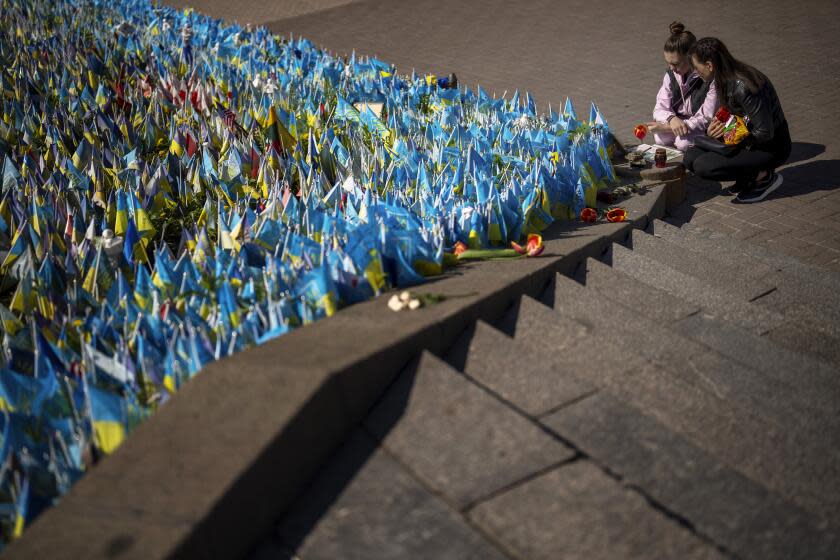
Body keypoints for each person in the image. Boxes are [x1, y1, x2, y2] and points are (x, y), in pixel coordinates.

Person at [683, 37, 790, 203]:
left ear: (709, 66)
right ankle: (746, 176)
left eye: (697, 68)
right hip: (745, 137)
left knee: (704, 166)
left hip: (770, 146)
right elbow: (730, 111)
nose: (696, 72)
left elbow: (765, 132)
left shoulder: (744, 85)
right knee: (690, 157)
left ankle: (763, 177)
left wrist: (731, 135)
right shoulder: (721, 77)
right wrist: (715, 128)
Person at [647, 22, 718, 151]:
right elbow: (659, 108)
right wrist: (671, 118)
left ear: (690, 58)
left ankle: (691, 161)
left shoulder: (708, 77)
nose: (671, 68)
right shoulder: (671, 75)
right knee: (660, 138)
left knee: (683, 143)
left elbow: (706, 117)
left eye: (676, 64)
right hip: (678, 122)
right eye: (668, 63)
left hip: (699, 127)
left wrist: (669, 127)